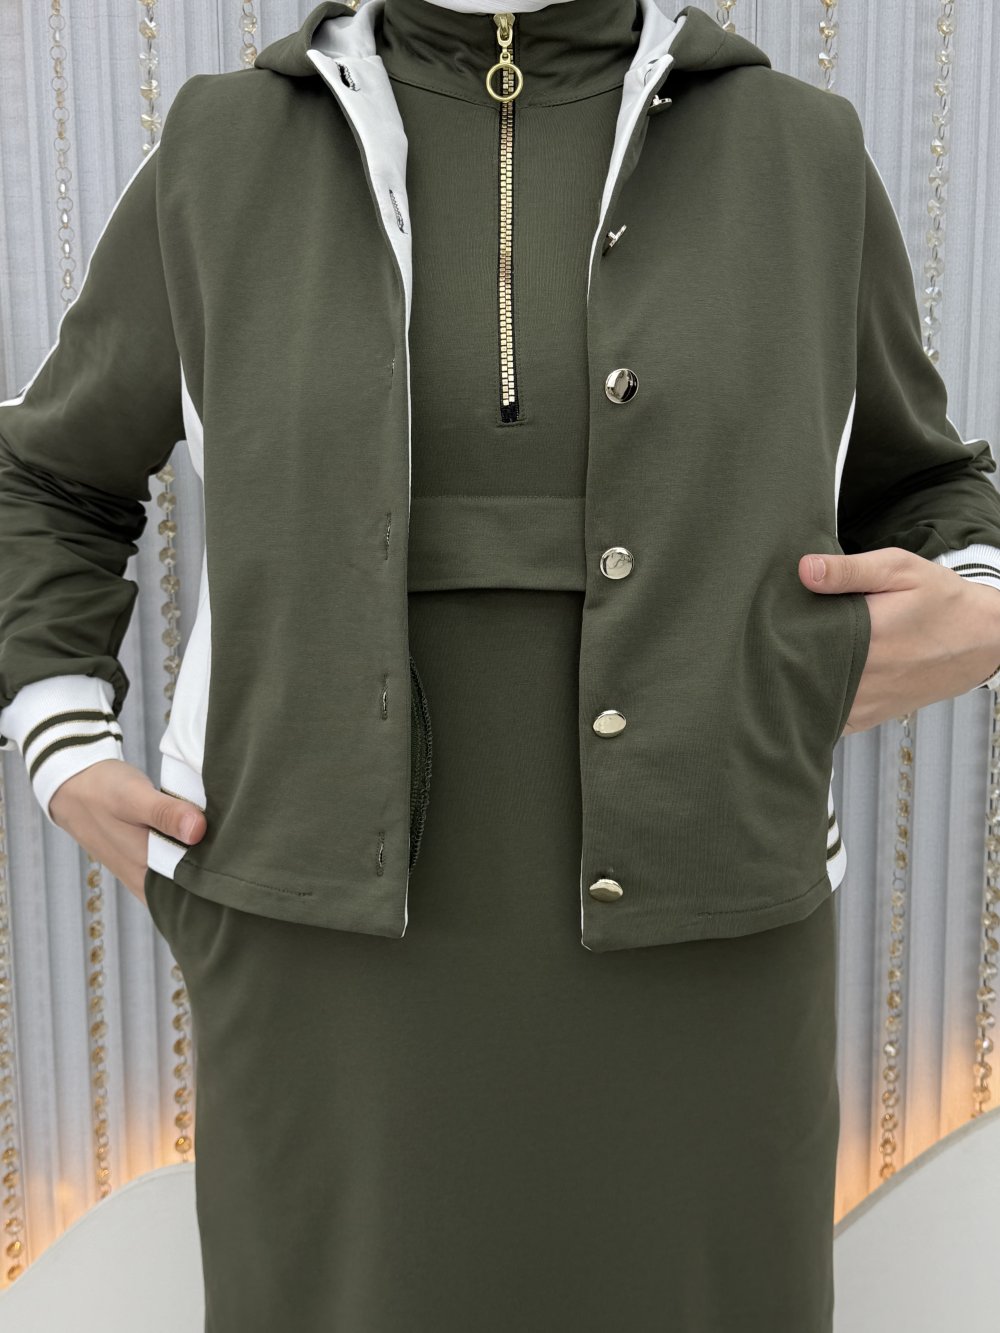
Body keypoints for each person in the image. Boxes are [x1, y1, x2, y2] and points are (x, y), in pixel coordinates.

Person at [2, 1, 1000, 1328]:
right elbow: (49, 474)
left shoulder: (801, 153)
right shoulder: (222, 149)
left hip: (712, 932)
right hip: (314, 946)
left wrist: (979, 607)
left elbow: (925, 481)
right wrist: (60, 734)